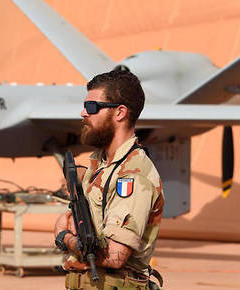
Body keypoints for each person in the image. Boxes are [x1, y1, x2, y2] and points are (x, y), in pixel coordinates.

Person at [54, 69, 164, 290]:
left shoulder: (133, 175)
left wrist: (63, 236)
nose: (84, 113)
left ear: (120, 113)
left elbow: (114, 256)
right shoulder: (99, 165)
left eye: (93, 107)